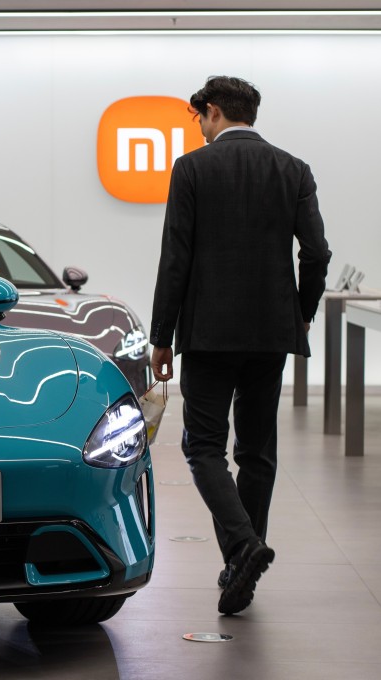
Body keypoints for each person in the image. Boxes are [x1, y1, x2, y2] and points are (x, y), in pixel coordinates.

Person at [149, 76, 331, 616]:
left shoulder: (193, 168)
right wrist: (298, 315)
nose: (200, 130)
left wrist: (162, 337)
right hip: (270, 333)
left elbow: (175, 257)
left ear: (210, 112)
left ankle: (244, 547)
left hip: (208, 334)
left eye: (198, 119)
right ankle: (238, 564)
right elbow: (317, 254)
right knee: (256, 451)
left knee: (203, 447)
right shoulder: (293, 169)